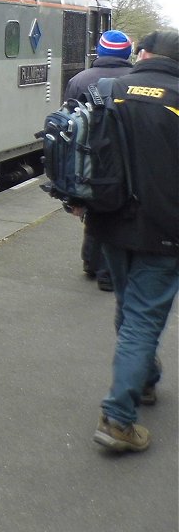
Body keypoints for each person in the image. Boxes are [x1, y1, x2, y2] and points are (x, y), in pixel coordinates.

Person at [85, 28, 179, 453]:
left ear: (142, 54)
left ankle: (144, 380)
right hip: (164, 229)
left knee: (130, 306)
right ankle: (118, 419)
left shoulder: (110, 89)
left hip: (109, 220)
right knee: (142, 318)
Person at [64, 29, 136, 290]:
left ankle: (91, 262)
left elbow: (68, 127)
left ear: (100, 51)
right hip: (127, 161)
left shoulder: (80, 80)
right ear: (128, 54)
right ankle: (107, 272)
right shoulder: (137, 80)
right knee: (118, 213)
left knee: (94, 209)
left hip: (88, 161)